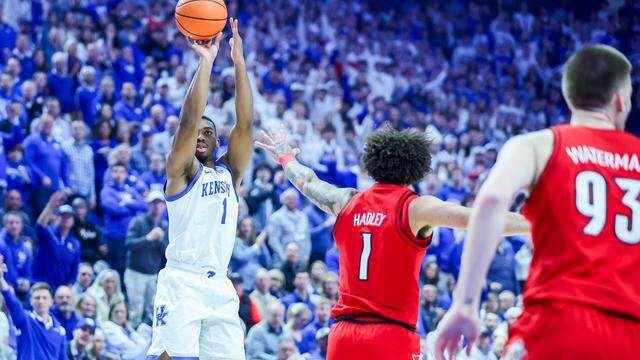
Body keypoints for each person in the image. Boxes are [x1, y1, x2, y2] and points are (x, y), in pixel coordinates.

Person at [434, 45, 640, 359]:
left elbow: (490, 200)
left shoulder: (538, 144)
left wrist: (464, 304)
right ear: (620, 99)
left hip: (556, 322)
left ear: (570, 95)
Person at [256, 126, 530, 359]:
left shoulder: (346, 200)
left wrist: (286, 156)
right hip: (391, 335)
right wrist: (535, 223)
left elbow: (307, 181)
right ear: (416, 168)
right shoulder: (416, 208)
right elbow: (479, 218)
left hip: (344, 336)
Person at [147, 18, 254, 360]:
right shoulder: (179, 172)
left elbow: (246, 123)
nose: (201, 135)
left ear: (218, 142)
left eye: (209, 133)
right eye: (198, 133)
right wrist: (206, 64)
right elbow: (189, 121)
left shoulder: (229, 171)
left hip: (220, 285)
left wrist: (239, 63)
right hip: (182, 280)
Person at [0, 255, 67, 360]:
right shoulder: (25, 320)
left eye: (44, 298)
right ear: (31, 301)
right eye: (37, 298)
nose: (40, 301)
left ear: (52, 302)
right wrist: (1, 280)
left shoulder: (60, 330)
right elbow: (13, 304)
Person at [124, 190, 168, 327]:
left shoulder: (165, 226)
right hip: (135, 272)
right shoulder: (138, 222)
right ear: (148, 205)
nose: (157, 206)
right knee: (135, 311)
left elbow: (167, 254)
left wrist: (161, 242)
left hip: (152, 275)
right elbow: (128, 244)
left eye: (160, 203)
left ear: (164, 206)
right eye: (154, 203)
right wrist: (148, 238)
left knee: (151, 311)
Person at [32, 192, 81, 289]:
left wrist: (68, 287)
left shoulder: (75, 243)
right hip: (41, 284)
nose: (66, 219)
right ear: (56, 217)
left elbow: (74, 270)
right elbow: (39, 226)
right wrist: (50, 206)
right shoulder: (49, 233)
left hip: (61, 288)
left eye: (69, 217)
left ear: (73, 221)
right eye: (63, 216)